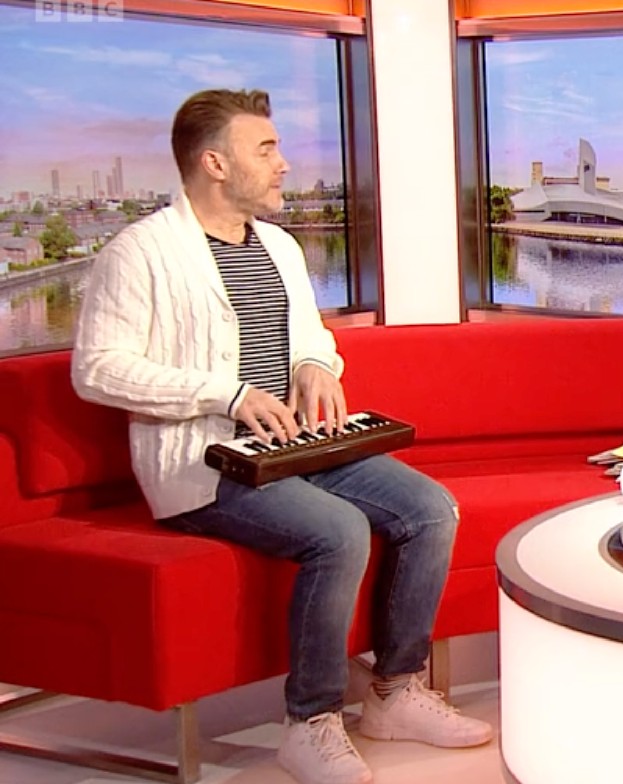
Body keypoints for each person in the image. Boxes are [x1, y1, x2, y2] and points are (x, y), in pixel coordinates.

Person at [71, 89, 492, 784]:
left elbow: (311, 338)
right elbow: (97, 370)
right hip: (206, 464)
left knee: (430, 509)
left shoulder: (280, 247)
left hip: (295, 447)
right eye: (265, 150)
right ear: (213, 162)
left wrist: (315, 363)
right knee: (340, 532)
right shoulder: (139, 253)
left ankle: (394, 692)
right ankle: (312, 722)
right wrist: (226, 395)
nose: (284, 165)